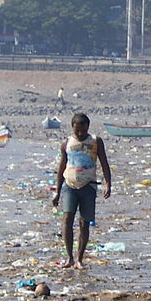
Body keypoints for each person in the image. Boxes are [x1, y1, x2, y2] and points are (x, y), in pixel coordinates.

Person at [50, 112, 112, 270]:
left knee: (84, 222)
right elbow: (62, 167)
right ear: (72, 128)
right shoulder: (66, 143)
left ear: (88, 128)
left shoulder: (96, 142)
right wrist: (57, 191)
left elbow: (104, 163)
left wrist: (108, 184)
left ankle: (79, 259)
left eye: (83, 131)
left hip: (88, 186)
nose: (80, 134)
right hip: (70, 186)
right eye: (77, 130)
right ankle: (69, 257)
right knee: (67, 219)